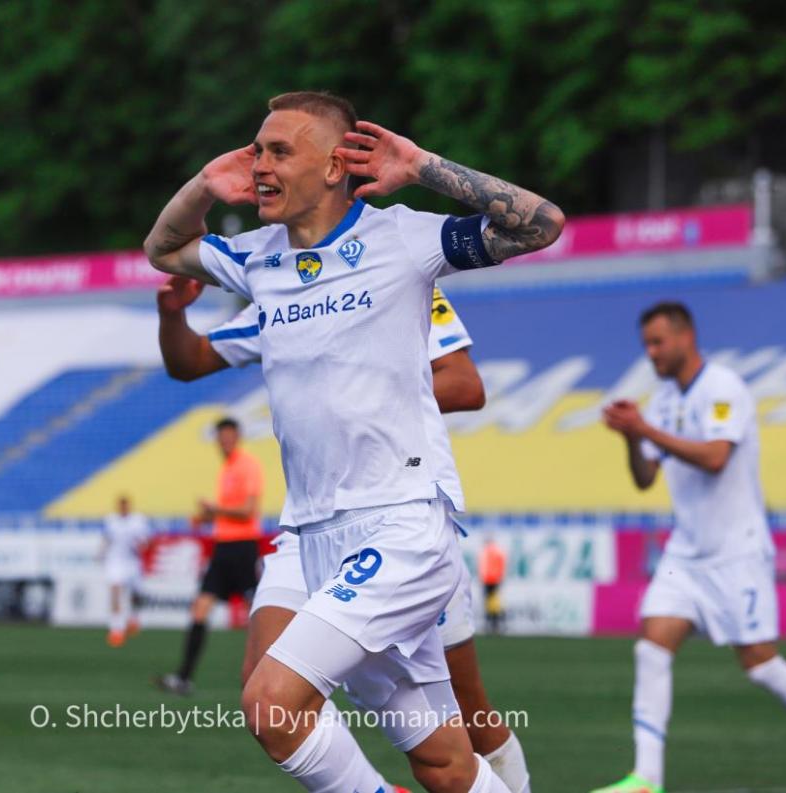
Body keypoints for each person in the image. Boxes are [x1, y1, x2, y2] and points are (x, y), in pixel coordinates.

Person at [145, 90, 562, 793]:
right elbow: (162, 250)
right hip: (314, 536)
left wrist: (424, 167)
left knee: (272, 704)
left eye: (280, 151)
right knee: (443, 763)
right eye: (257, 151)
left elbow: (541, 224)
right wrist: (204, 187)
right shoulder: (258, 259)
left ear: (336, 167)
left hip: (400, 528)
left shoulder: (401, 239)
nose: (261, 165)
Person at [157, 273, 532, 792]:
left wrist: (352, 389)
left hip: (399, 519)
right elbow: (190, 361)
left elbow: (466, 384)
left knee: (466, 722)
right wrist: (172, 314)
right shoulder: (278, 284)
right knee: (268, 690)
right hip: (309, 525)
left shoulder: (394, 270)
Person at [594, 302, 786, 793]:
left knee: (761, 665)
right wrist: (630, 437)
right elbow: (645, 478)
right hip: (686, 555)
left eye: (657, 342)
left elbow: (715, 458)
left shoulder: (723, 388)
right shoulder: (663, 401)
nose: (651, 353)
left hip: (737, 552)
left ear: (685, 337)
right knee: (651, 648)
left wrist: (644, 429)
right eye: (646, 345)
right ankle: (646, 778)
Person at [157, 417, 263, 695]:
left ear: (237, 437)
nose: (225, 441)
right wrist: (206, 517)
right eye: (221, 437)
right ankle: (184, 678)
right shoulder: (226, 468)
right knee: (200, 608)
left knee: (258, 615)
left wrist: (215, 510)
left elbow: (248, 510)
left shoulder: (248, 465)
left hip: (243, 547)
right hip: (222, 547)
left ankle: (268, 678)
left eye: (229, 436)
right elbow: (229, 512)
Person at [102, 494, 151, 647]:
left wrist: (141, 545)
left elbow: (146, 542)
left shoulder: (138, 521)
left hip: (133, 562)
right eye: (121, 505)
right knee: (115, 591)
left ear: (129, 506)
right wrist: (101, 553)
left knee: (136, 594)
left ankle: (133, 618)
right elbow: (107, 539)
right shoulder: (111, 520)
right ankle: (116, 629)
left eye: (125, 505)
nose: (123, 508)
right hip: (115, 561)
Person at [478, 538, 506, 636]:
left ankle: (492, 624)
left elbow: (485, 568)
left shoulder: (487, 552)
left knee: (491, 604)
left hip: (489, 580)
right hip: (493, 580)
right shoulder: (497, 551)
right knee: (493, 604)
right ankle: (494, 625)